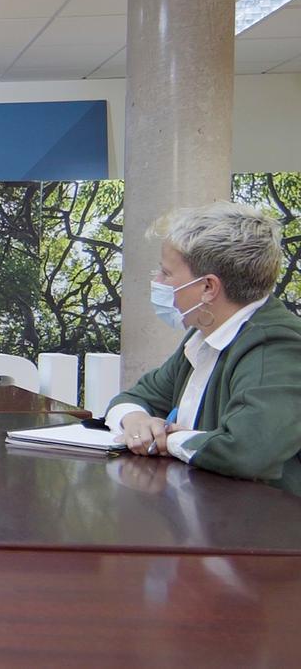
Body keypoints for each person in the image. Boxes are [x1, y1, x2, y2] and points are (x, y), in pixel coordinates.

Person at [106, 201, 301, 495]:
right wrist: (136, 420)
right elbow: (136, 396)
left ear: (208, 287)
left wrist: (167, 439)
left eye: (166, 273)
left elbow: (248, 450)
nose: (157, 283)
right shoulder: (202, 337)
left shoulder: (276, 345)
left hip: (262, 532)